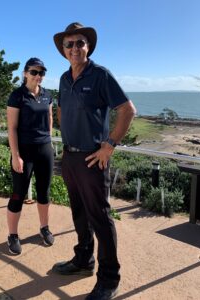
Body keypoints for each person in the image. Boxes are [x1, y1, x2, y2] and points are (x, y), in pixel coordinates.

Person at [52, 23, 136, 299]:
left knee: (100, 217)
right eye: (69, 44)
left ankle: (109, 279)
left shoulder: (100, 75)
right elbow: (62, 109)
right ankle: (83, 260)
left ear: (88, 46)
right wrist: (66, 136)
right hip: (70, 156)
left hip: (92, 159)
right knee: (78, 212)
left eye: (80, 43)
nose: (75, 48)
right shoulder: (64, 79)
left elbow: (127, 110)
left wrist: (109, 145)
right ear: (63, 50)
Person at [6, 57, 54, 255]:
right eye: (34, 72)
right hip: (24, 152)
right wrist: (15, 155)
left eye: (41, 73)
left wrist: (48, 141)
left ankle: (44, 228)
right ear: (25, 73)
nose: (38, 76)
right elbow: (12, 128)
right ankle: (13, 235)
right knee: (18, 194)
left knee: (44, 193)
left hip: (44, 151)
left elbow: (50, 118)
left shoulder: (47, 95)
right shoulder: (17, 96)